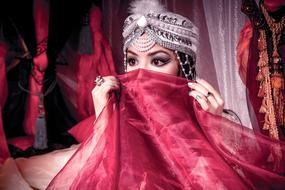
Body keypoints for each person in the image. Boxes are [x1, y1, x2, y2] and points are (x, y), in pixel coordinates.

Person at [48, 0, 285, 189]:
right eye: (132, 60)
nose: (141, 73)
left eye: (158, 61)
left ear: (183, 68)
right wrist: (104, 121)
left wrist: (217, 128)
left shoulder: (207, 114)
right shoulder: (119, 114)